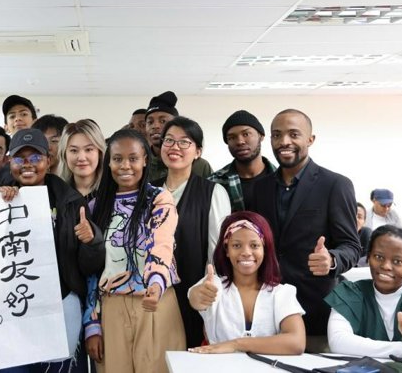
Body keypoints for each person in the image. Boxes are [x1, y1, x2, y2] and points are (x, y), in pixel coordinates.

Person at [0, 128, 104, 372]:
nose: (28, 165)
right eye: (20, 158)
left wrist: (92, 241)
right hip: (7, 311)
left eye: (36, 158)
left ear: (49, 161)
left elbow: (89, 267)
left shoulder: (70, 201)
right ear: (9, 162)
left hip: (56, 308)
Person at [250, 109, 361, 350]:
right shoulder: (261, 188)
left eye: (294, 134)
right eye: (277, 135)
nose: (284, 142)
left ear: (310, 139)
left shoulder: (335, 185)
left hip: (315, 309)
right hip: (267, 309)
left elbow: (352, 246)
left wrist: (331, 259)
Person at [86, 129, 185, 373]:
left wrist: (156, 281)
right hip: (111, 307)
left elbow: (161, 243)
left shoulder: (160, 198)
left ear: (144, 160)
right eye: (118, 158)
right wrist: (92, 324)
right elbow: (90, 268)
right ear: (108, 162)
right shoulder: (94, 206)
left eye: (133, 158)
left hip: (155, 301)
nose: (125, 165)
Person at [151, 116, 231, 347]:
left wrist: (210, 304)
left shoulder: (212, 192)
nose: (175, 147)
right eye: (169, 140)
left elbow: (218, 254)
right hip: (152, 297)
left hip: (193, 298)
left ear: (198, 151)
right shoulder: (148, 192)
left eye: (184, 142)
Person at [187, 211, 305, 354]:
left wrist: (237, 344)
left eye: (254, 245)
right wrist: (198, 295)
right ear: (227, 250)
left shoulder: (280, 293)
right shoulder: (214, 285)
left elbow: (297, 342)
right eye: (236, 245)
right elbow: (194, 297)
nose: (246, 252)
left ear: (265, 249)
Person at [325, 225, 402, 358]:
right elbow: (338, 341)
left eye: (397, 261)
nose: (385, 266)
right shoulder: (349, 293)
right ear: (368, 258)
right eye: (378, 257)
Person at [208, 110, 277, 211]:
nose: (240, 141)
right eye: (232, 137)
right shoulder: (213, 183)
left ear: (261, 136)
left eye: (246, 134)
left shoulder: (283, 179)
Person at [144, 91, 212, 181]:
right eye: (150, 122)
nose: (155, 126)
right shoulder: (141, 162)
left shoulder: (200, 166)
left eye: (163, 121)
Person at [58, 119, 106, 200]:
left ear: (100, 152)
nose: (81, 158)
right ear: (64, 154)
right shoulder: (56, 193)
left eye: (88, 149)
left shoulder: (113, 192)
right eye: (74, 150)